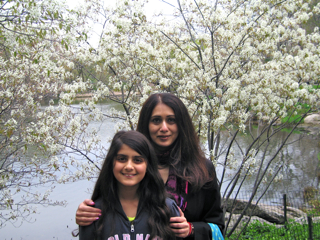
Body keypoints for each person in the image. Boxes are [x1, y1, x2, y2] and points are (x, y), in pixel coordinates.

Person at [76, 93, 225, 239]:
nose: (164, 128)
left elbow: (217, 227)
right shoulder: (133, 169)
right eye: (156, 120)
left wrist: (191, 230)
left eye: (171, 120)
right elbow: (111, 208)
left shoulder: (202, 170)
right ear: (146, 124)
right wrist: (89, 211)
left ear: (181, 124)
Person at [79, 130, 179, 240]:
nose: (129, 166)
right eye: (122, 159)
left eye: (137, 160)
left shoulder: (166, 208)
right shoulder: (93, 213)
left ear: (147, 165)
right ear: (111, 162)